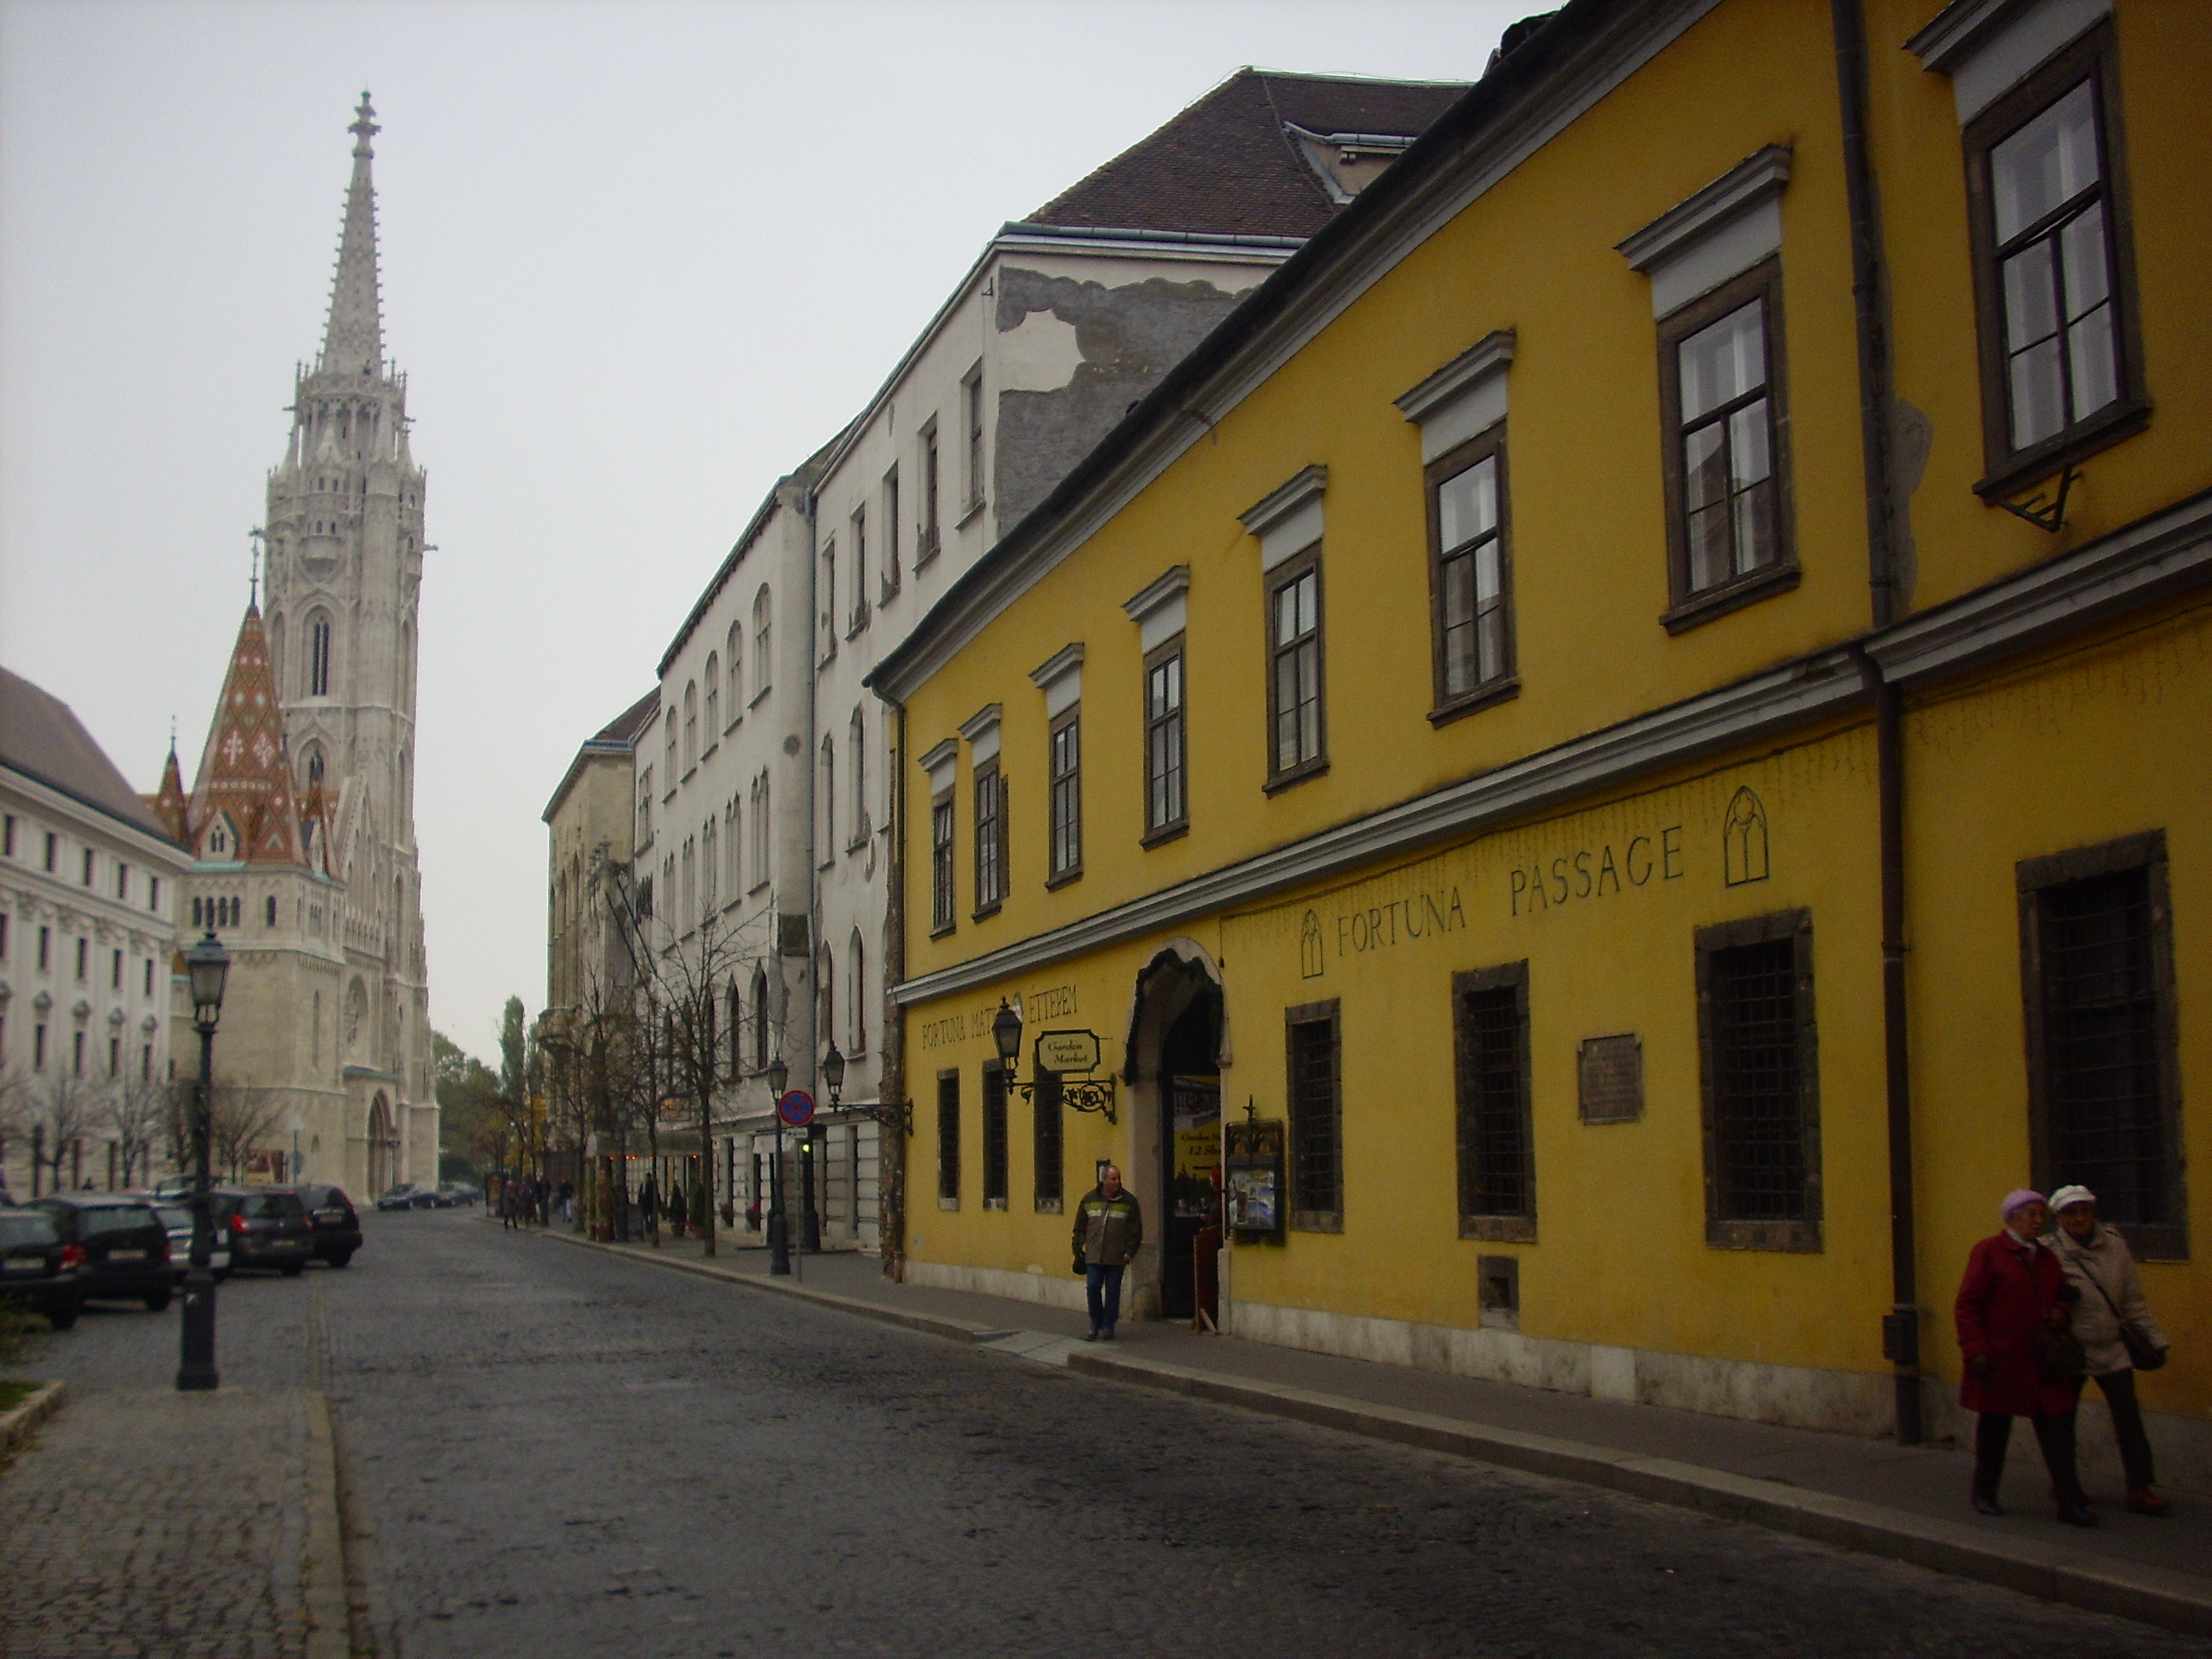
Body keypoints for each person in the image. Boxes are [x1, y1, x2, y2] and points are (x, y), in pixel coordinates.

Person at [1954, 1188, 2093, 1525]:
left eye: (2040, 1214)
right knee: (1995, 1429)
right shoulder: (1989, 1252)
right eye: (2031, 1214)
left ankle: (2069, 1502)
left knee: (2058, 1432)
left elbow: (2063, 1293)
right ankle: (1984, 1492)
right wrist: (1976, 1349)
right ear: (2012, 1217)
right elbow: (1967, 1305)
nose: (2037, 1220)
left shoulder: (2046, 1257)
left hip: (2043, 1360)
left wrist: (2061, 1309)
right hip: (2002, 1358)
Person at [2046, 1185, 2173, 1516]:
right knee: (2062, 1420)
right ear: (2059, 1218)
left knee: (2128, 1418)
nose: (2080, 1218)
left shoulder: (2115, 1247)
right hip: (2072, 1350)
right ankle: (2065, 1484)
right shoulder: (2049, 1252)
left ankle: (2140, 1487)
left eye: (2085, 1211)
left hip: (2113, 1346)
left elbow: (2133, 1301)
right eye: (2071, 1213)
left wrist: (2154, 1339)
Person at [1071, 1165, 1143, 1342]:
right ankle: (1095, 1321)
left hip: (1117, 1256)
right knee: (1093, 1288)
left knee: (1113, 1292)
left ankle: (1108, 1325)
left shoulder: (1128, 1201)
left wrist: (1130, 1252)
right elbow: (1080, 1226)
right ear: (1104, 1180)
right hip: (1094, 1255)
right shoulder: (1089, 1199)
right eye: (1113, 1179)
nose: (1117, 1182)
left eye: (1118, 1178)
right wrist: (1077, 1249)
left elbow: (1135, 1230)